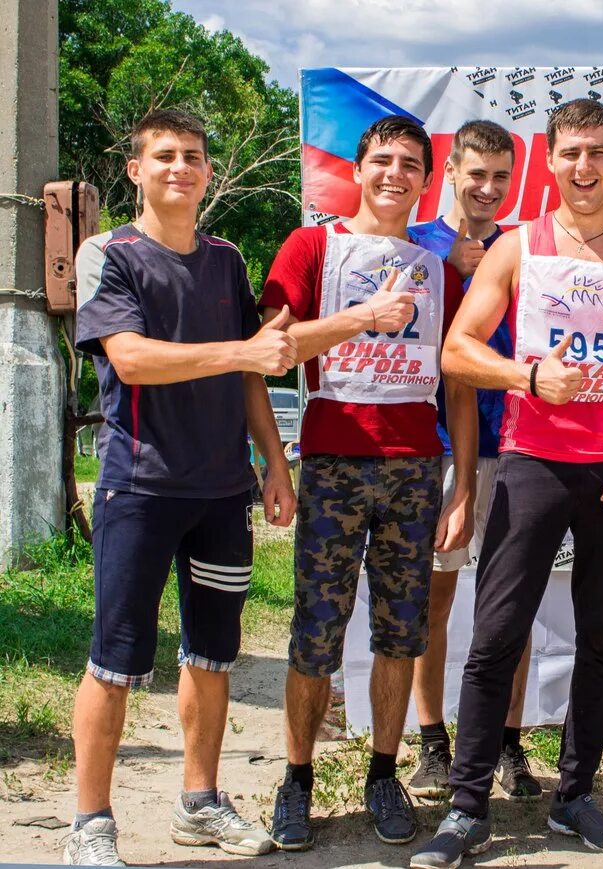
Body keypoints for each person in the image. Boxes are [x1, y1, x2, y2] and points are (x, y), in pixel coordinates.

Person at [411, 98, 603, 869]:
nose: (583, 167)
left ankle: (575, 796)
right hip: (532, 460)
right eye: (569, 153)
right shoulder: (519, 249)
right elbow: (458, 352)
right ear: (551, 157)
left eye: (597, 151)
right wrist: (527, 374)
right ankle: (468, 806)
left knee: (602, 639)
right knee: (497, 634)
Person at [67, 109, 296, 866]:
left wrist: (273, 461)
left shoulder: (227, 259)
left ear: (205, 171)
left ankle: (200, 802)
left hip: (222, 492)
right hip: (139, 488)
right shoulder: (110, 252)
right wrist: (246, 349)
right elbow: (130, 359)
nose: (180, 167)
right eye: (163, 155)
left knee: (214, 655)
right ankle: (90, 826)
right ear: (135, 170)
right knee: (115, 660)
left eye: (193, 156)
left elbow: (251, 376)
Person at [259, 114, 477, 852]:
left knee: (400, 632)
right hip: (332, 462)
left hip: (416, 469)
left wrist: (465, 486)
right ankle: (296, 779)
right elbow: (275, 348)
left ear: (426, 178)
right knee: (314, 633)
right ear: (357, 169)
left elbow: (460, 388)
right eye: (382, 160)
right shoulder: (312, 245)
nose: (394, 174)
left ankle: (383, 771)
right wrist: (361, 316)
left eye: (411, 163)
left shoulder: (440, 270)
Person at [405, 120, 541, 803]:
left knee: (509, 610)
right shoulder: (414, 243)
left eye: (500, 177)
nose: (487, 188)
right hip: (431, 447)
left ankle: (506, 744)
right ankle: (432, 743)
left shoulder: (524, 250)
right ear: (451, 171)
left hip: (516, 446)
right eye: (475, 174)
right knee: (435, 597)